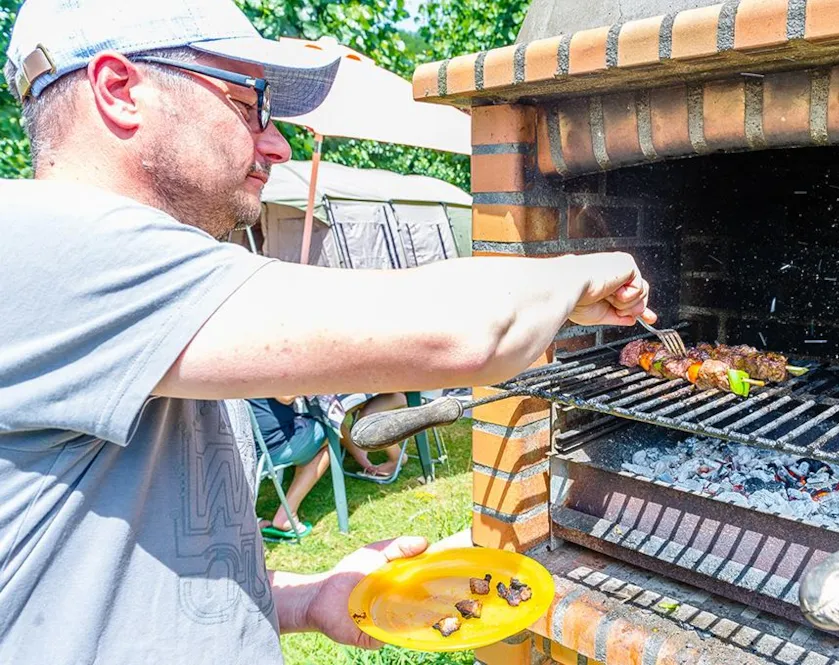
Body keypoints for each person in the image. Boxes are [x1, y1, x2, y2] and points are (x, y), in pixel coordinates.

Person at [0, 1, 655, 663]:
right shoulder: (47, 247)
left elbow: (131, 571)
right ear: (120, 90)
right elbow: (465, 333)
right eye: (249, 103)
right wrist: (586, 269)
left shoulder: (122, 298)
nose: (277, 143)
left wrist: (306, 598)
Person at [251, 393, 407, 540]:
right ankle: (287, 515)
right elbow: (285, 396)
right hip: (271, 447)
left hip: (245, 446)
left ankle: (362, 456)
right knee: (329, 429)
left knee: (332, 415)